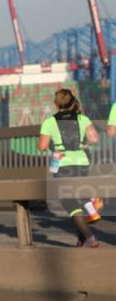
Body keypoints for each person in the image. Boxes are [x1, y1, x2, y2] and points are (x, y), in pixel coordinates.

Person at [38, 88, 101, 248]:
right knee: (80, 196)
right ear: (73, 102)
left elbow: (43, 146)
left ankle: (90, 238)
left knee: (69, 200)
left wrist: (52, 145)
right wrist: (82, 145)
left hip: (62, 164)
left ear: (55, 103)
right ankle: (84, 231)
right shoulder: (82, 118)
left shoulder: (49, 122)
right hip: (82, 162)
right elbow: (94, 139)